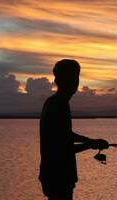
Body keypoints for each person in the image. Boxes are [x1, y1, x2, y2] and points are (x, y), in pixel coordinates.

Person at [39, 59, 109, 200]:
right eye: (76, 76)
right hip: (58, 176)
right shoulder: (58, 105)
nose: (77, 80)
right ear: (73, 81)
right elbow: (62, 148)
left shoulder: (54, 102)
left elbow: (65, 135)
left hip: (54, 174)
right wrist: (91, 145)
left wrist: (90, 141)